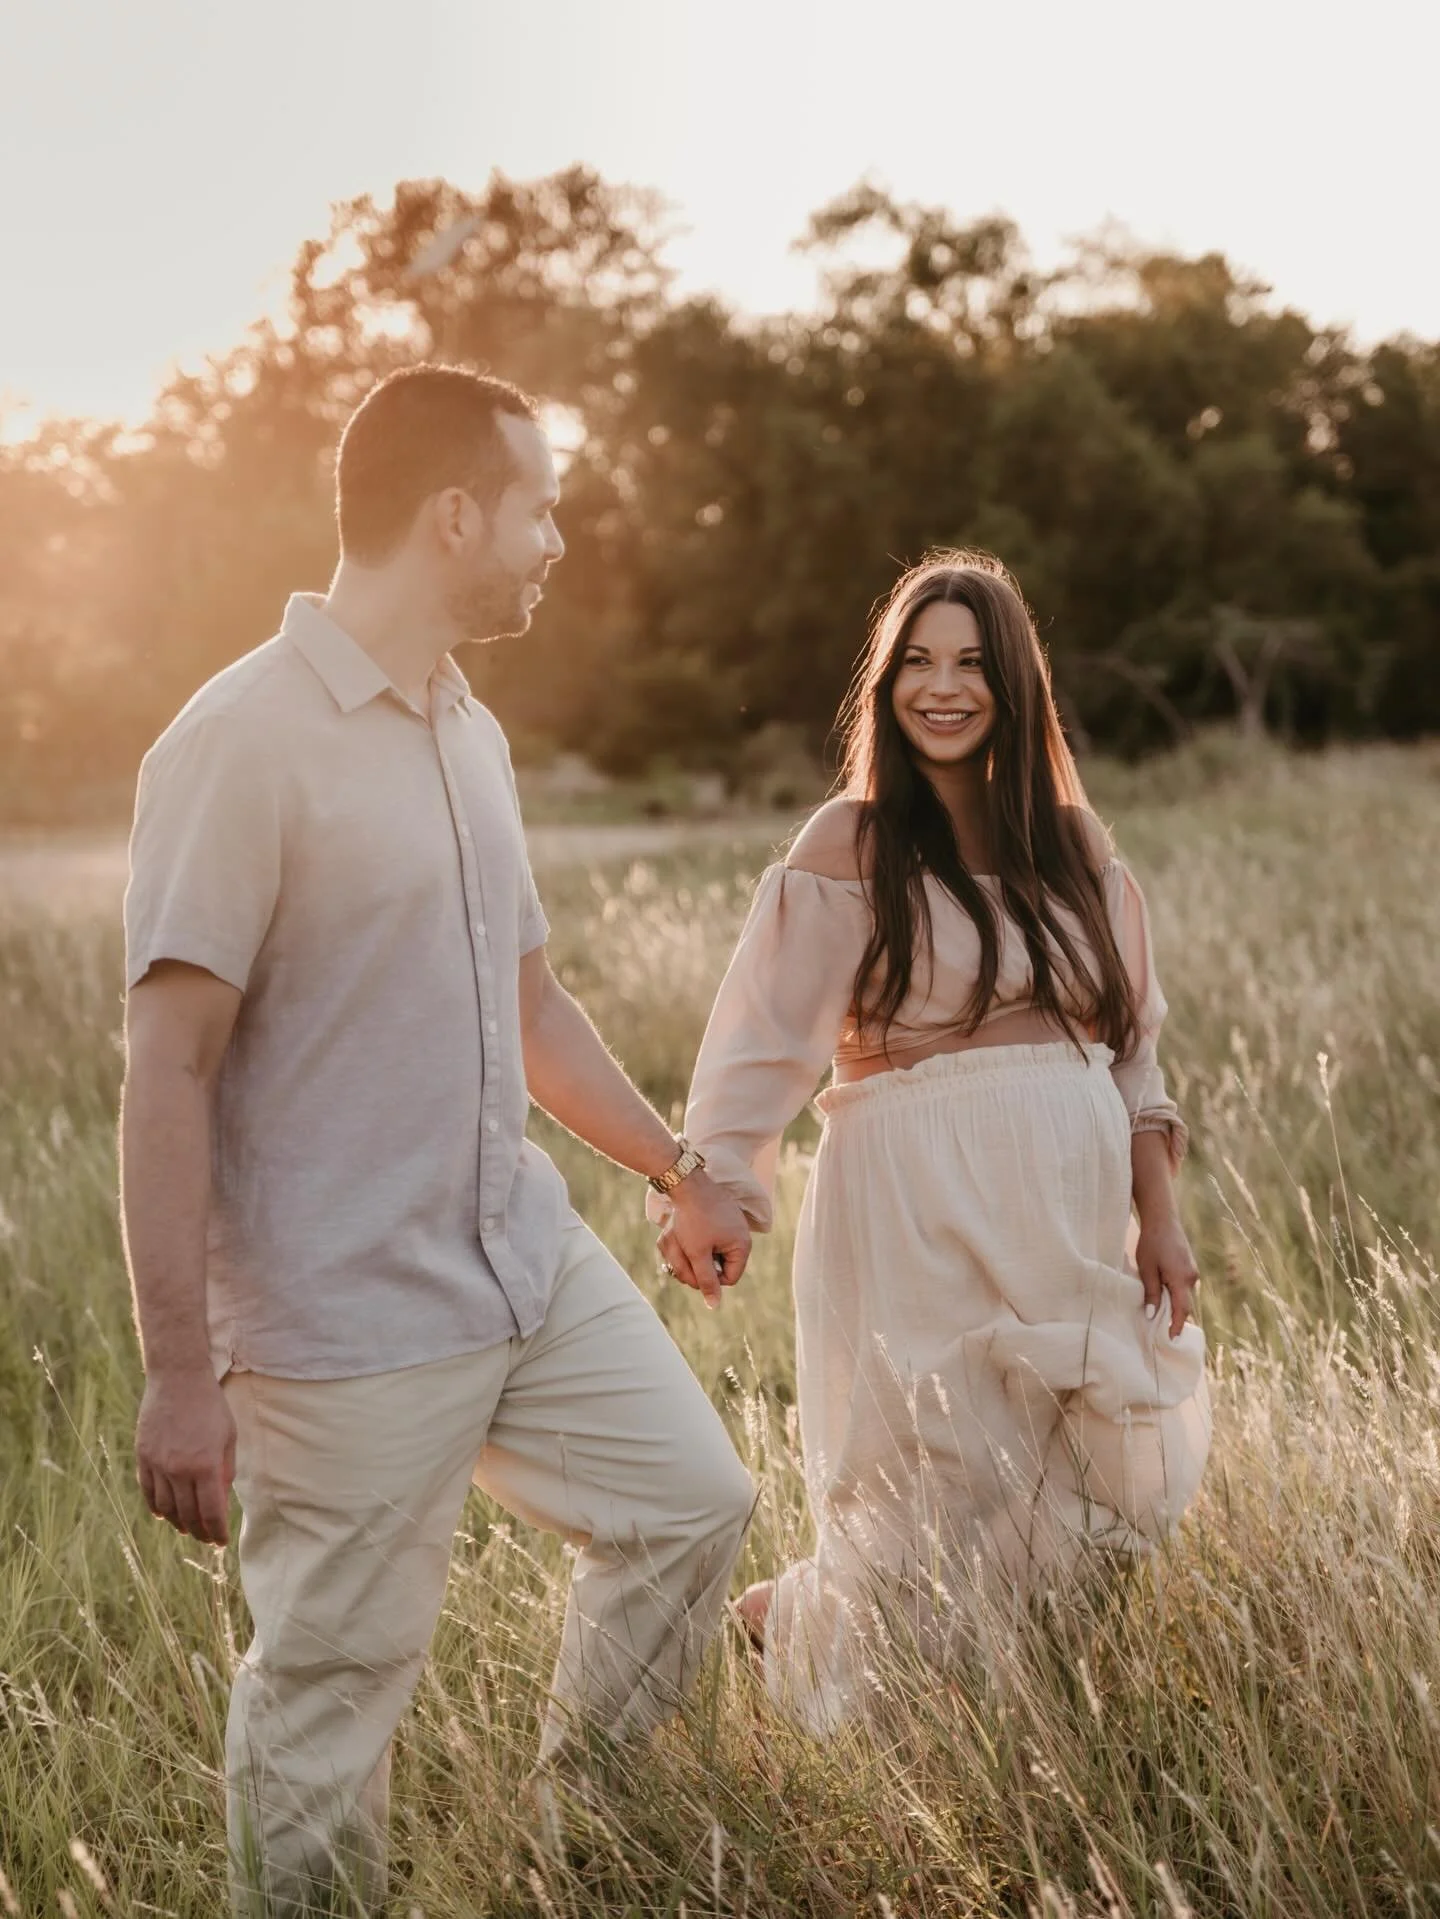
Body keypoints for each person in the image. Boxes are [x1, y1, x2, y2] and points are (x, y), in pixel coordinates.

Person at [120, 363, 755, 1915]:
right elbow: (168, 1066)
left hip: (520, 1266)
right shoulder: (238, 739)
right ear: (456, 515)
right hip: (341, 1320)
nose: (555, 543)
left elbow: (531, 1001)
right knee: (331, 1693)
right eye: (541, 509)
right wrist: (179, 1372)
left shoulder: (470, 728)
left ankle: (586, 1857)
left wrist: (676, 1167)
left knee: (693, 1501)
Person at [654, 550, 1211, 1735]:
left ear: (1014, 682)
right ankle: (918, 1720)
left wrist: (1159, 1214)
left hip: (1067, 1207)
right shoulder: (850, 843)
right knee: (931, 1478)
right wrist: (711, 1186)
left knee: (1116, 1458)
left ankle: (797, 1612)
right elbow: (759, 1045)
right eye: (916, 661)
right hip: (911, 1198)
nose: (942, 686)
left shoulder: (1075, 848)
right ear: (887, 683)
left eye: (970, 662)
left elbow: (1134, 1055)